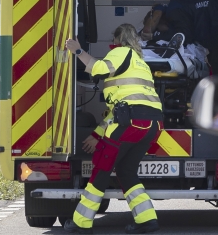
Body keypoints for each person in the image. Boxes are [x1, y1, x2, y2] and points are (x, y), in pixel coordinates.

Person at [64, 24, 163, 235]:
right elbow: (116, 113)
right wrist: (95, 134)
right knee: (127, 171)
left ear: (118, 38)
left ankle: (81, 222)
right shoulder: (141, 62)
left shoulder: (120, 52)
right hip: (152, 125)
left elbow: (98, 68)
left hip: (132, 123)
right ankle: (146, 219)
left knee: (101, 167)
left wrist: (78, 51)